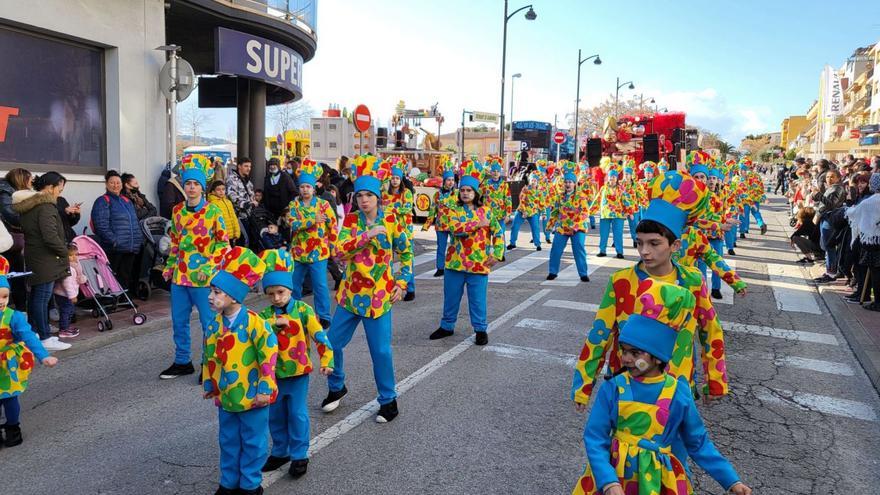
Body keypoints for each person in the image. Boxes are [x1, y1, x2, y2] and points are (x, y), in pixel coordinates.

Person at [572, 279, 752, 495]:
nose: (626, 358)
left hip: (657, 483)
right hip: (613, 476)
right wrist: (608, 481)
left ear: (658, 357)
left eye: (636, 353)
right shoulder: (614, 387)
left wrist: (731, 480)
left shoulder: (677, 392)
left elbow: (698, 443)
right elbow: (595, 436)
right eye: (624, 350)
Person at [571, 170, 730, 408]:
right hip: (626, 389)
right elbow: (599, 334)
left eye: (654, 243)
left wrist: (715, 382)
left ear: (675, 245)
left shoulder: (693, 281)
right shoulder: (621, 281)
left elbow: (711, 332)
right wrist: (583, 386)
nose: (645, 251)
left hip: (676, 390)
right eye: (640, 243)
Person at [321, 154, 412, 423]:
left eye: (368, 195)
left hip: (379, 298)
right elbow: (337, 253)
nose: (363, 200)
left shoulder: (393, 220)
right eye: (359, 195)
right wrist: (366, 236)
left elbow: (406, 254)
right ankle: (337, 387)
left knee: (380, 352)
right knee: (331, 343)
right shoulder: (351, 221)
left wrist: (402, 283)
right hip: (350, 295)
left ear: (377, 197)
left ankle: (388, 400)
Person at [202, 246, 277, 495]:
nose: (211, 297)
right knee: (229, 441)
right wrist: (210, 385)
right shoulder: (214, 324)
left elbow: (268, 356)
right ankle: (229, 482)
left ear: (233, 297)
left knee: (253, 442)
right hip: (227, 395)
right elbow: (209, 356)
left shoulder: (256, 323)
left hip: (253, 394)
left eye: (216, 292)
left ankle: (250, 484)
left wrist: (265, 388)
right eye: (211, 291)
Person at [258, 249, 334, 478]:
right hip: (272, 375)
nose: (277, 298)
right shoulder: (263, 316)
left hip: (298, 372)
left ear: (290, 289)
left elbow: (319, 336)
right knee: (276, 414)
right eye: (270, 294)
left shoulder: (302, 310)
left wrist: (327, 359)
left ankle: (300, 454)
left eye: (280, 292)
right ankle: (281, 450)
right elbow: (255, 339)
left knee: (297, 413)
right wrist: (272, 323)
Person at [160, 154, 230, 380]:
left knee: (208, 322)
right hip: (181, 276)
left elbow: (223, 243)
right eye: (188, 183)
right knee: (179, 321)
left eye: (195, 184)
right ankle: (182, 361)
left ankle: (208, 364)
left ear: (202, 187)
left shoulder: (213, 211)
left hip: (203, 278)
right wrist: (169, 265)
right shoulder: (177, 211)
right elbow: (175, 242)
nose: (191, 188)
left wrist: (210, 267)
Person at [430, 159, 503, 345]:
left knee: (478, 300)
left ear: (476, 192)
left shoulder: (487, 211)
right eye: (462, 190)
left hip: (479, 264)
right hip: (455, 262)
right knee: (451, 298)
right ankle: (447, 326)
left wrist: (497, 253)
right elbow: (454, 228)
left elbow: (498, 232)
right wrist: (477, 225)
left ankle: (480, 330)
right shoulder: (452, 210)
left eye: (469, 190)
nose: (465, 193)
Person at [0, 255, 60, 448]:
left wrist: (44, 356)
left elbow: (29, 337)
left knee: (9, 397)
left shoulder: (13, 317)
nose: (2, 301)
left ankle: (12, 428)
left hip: (7, 364)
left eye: (4, 296)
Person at [12, 172, 72, 352]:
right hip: (45, 258)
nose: (60, 192)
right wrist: (65, 252)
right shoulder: (45, 207)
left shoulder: (31, 205)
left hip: (36, 255)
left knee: (37, 297)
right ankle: (45, 337)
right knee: (42, 298)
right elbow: (50, 236)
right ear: (51, 187)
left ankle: (34, 333)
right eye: (60, 187)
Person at [287, 159, 338, 327]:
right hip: (298, 252)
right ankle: (293, 314)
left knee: (320, 286)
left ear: (314, 187)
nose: (305, 190)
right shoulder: (294, 205)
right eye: (302, 187)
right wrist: (312, 220)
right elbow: (293, 224)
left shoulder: (323, 205)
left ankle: (323, 316)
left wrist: (333, 246)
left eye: (308, 187)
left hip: (319, 252)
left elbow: (333, 226)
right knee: (294, 285)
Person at [91, 170, 143, 290]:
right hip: (114, 248)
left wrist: (138, 239)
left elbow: (134, 221)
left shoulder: (126, 201)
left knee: (125, 276)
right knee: (111, 277)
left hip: (130, 246)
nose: (115, 185)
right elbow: (101, 225)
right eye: (112, 183)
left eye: (118, 183)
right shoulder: (103, 201)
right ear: (106, 184)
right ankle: (112, 300)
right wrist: (114, 241)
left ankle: (123, 299)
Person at [546, 161, 591, 283]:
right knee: (556, 249)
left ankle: (583, 274)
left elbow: (585, 212)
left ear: (575, 184)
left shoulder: (581, 196)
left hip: (578, 228)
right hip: (562, 227)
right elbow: (555, 211)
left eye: (570, 182)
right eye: (566, 182)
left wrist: (575, 225)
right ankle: (553, 272)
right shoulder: (560, 196)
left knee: (579, 249)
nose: (568, 184)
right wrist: (550, 225)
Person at [845, 173, 880, 310]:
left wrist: (848, 203)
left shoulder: (870, 201)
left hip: (872, 242)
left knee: (875, 273)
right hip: (874, 239)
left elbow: (852, 214)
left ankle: (877, 302)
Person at [383, 159, 416, 301]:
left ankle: (410, 288)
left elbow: (407, 208)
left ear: (401, 178)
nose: (395, 181)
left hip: (405, 231)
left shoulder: (406, 192)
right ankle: (388, 287)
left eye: (397, 178)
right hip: (389, 231)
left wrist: (391, 209)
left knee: (408, 260)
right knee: (387, 260)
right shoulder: (385, 194)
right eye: (392, 178)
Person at [0, 168, 33, 311]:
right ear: (22, 180)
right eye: (29, 180)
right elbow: (11, 215)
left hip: (13, 242)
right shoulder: (5, 193)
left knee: (18, 276)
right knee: (9, 277)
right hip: (6, 241)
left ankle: (20, 311)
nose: (31, 183)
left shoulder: (11, 192)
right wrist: (32, 218)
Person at [422, 158, 457, 276]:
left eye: (452, 180)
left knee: (454, 247)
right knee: (441, 248)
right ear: (444, 181)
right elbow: (432, 210)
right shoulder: (437, 194)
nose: (451, 182)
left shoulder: (457, 195)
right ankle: (440, 268)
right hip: (441, 225)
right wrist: (427, 224)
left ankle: (453, 267)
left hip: (454, 225)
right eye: (448, 180)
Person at [812, 169, 847, 284]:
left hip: (831, 220)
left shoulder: (838, 188)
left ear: (838, 178)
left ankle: (831, 273)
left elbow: (831, 205)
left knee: (829, 246)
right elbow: (824, 203)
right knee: (827, 246)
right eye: (827, 177)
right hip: (826, 218)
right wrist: (816, 196)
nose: (829, 179)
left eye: (832, 177)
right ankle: (829, 271)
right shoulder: (831, 188)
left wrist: (818, 195)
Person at [596, 162, 630, 259]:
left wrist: (629, 211)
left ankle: (619, 252)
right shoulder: (604, 188)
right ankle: (602, 251)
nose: (612, 179)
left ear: (617, 178)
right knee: (604, 233)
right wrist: (588, 212)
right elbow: (597, 200)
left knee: (618, 234)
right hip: (605, 214)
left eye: (614, 177)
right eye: (611, 177)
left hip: (618, 214)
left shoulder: (621, 189)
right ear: (608, 177)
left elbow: (626, 201)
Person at [53, 243, 86, 339]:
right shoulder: (68, 268)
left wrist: (82, 278)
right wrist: (72, 296)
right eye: (71, 255)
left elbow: (77, 278)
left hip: (67, 294)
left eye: (76, 255)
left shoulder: (75, 266)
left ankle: (66, 326)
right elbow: (67, 283)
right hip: (64, 294)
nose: (74, 257)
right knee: (66, 311)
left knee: (69, 310)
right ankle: (63, 330)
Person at [483, 157, 513, 259]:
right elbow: (478, 197)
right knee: (486, 236)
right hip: (487, 216)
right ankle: (485, 254)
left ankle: (500, 254)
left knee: (500, 235)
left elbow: (508, 199)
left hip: (500, 215)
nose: (495, 173)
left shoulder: (504, 185)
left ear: (500, 172)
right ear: (490, 172)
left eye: (497, 171)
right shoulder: (485, 184)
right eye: (494, 171)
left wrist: (508, 214)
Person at [507, 171, 544, 251]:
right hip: (521, 211)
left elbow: (542, 203)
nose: (533, 182)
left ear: (537, 182)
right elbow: (522, 200)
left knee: (536, 228)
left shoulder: (540, 191)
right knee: (515, 227)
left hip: (533, 212)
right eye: (532, 180)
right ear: (529, 180)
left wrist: (544, 213)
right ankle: (512, 243)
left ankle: (538, 244)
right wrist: (524, 211)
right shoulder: (525, 188)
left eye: (535, 180)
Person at [208, 181, 241, 245]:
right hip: (221, 236)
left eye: (223, 189)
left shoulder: (228, 202)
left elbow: (234, 217)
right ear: (213, 191)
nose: (221, 191)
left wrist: (236, 232)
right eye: (218, 189)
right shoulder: (212, 204)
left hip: (231, 235)